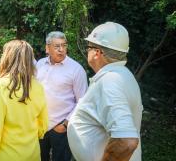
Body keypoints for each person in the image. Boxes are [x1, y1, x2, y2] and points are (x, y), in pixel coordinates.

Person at [67, 22, 143, 161]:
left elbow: (126, 142)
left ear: (97, 52)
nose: (87, 51)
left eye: (88, 47)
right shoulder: (122, 75)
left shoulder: (110, 81)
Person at [0, 40, 48, 161]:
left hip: (8, 154)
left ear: (8, 58)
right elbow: (43, 124)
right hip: (32, 153)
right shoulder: (38, 86)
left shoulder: (1, 86)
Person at [36, 31, 88, 161]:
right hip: (39, 126)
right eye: (57, 46)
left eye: (64, 46)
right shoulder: (40, 64)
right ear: (47, 48)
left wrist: (65, 124)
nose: (61, 50)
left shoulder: (76, 69)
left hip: (60, 128)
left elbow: (83, 101)